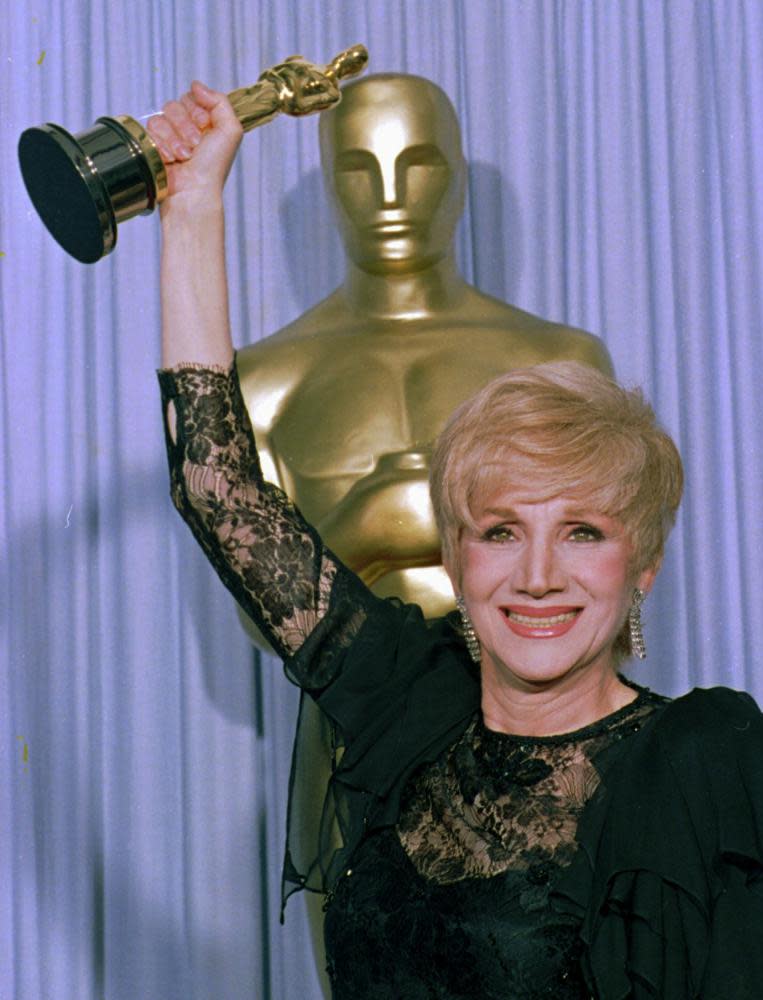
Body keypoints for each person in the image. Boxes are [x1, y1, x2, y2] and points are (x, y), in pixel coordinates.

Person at [150, 83, 763, 999]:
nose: (538, 575)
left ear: (644, 562)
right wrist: (192, 208)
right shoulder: (405, 703)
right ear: (459, 555)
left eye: (582, 531)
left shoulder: (698, 759)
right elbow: (217, 489)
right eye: (500, 531)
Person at [234, 72, 612, 623]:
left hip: (538, 700)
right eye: (359, 169)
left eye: (420, 164)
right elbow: (260, 620)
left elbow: (607, 573)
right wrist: (371, 525)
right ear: (331, 188)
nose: (391, 197)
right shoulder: (261, 381)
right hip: (353, 706)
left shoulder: (561, 362)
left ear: (459, 177)